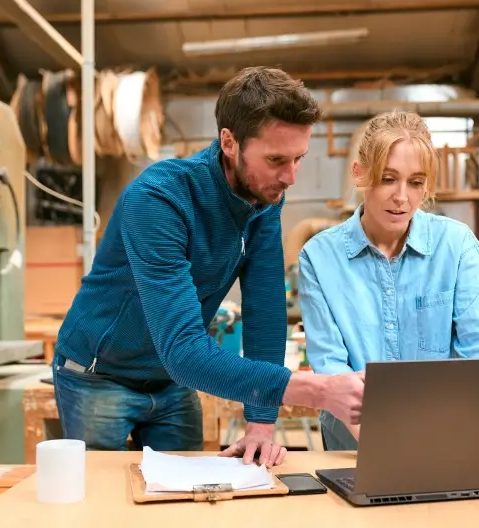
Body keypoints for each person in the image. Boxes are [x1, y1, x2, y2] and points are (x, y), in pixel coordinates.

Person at [53, 66, 365, 467]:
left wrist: (260, 422)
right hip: (98, 375)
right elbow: (183, 350)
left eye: (298, 159)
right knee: (104, 503)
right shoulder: (158, 200)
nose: (290, 177)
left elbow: (265, 312)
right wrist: (317, 391)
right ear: (229, 143)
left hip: (171, 380)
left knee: (186, 504)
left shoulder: (264, 197)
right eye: (275, 159)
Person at [298, 110, 479, 451]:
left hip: (445, 442)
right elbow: (333, 368)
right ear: (359, 174)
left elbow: (472, 357)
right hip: (353, 450)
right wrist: (384, 448)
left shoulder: (457, 247)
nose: (402, 197)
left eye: (415, 182)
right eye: (387, 178)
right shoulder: (319, 259)